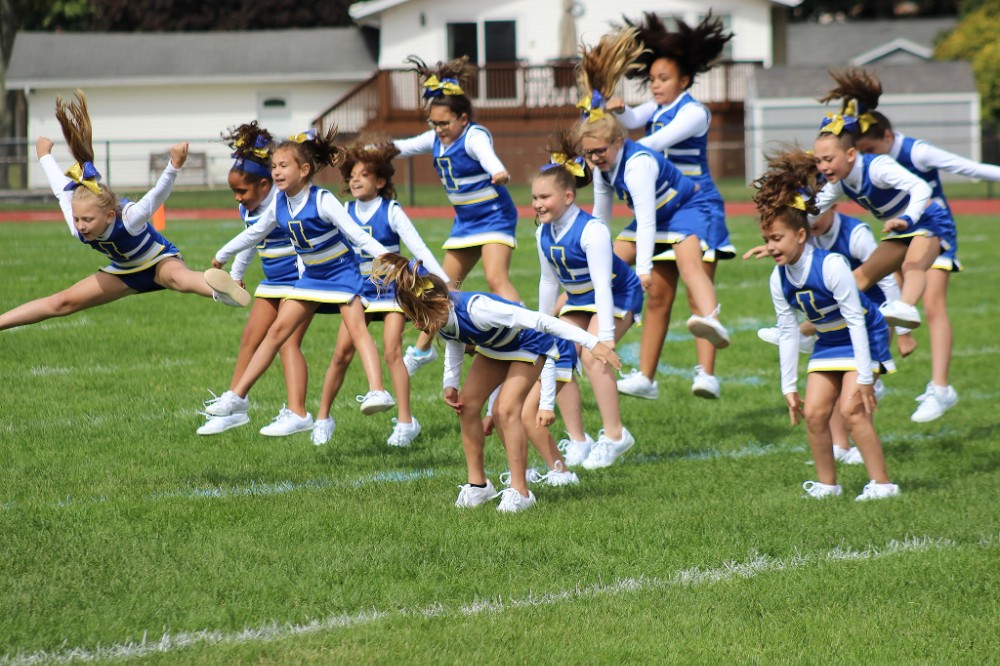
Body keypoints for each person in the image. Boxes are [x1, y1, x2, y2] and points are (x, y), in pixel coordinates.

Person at [369, 253, 621, 513]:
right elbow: (454, 339)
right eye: (413, 317)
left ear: (437, 302)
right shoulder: (440, 316)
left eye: (418, 315)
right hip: (497, 347)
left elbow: (542, 321)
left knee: (506, 409)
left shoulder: (478, 309)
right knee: (466, 405)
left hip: (528, 343)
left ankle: (521, 492)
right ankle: (478, 486)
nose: (418, 323)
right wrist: (450, 383)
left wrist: (593, 343)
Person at [828, 68, 1000, 423]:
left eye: (871, 150)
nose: (866, 158)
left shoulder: (916, 153)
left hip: (934, 229)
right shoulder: (858, 165)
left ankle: (941, 388)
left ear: (888, 137)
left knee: (932, 302)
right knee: (875, 294)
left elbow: (969, 168)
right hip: (899, 233)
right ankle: (872, 371)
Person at [0, 91, 249, 334]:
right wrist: (44, 155)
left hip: (158, 261)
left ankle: (223, 291)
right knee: (62, 302)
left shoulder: (128, 219)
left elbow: (155, 197)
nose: (81, 225)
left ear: (109, 216)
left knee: (180, 280)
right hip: (123, 272)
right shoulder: (77, 226)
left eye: (87, 220)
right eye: (77, 219)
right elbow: (61, 192)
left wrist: (174, 165)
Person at [574, 27, 730, 403]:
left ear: (685, 80)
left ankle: (707, 372)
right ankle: (645, 376)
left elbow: (651, 143)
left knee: (695, 283)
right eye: (653, 79)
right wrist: (610, 108)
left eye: (664, 79)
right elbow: (630, 120)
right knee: (658, 295)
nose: (656, 85)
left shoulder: (693, 112)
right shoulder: (656, 109)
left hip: (695, 202)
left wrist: (608, 143)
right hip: (658, 203)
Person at [205, 128, 395, 424]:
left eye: (284, 166)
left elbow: (356, 235)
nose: (277, 172)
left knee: (357, 330)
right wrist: (223, 254)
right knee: (277, 332)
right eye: (275, 167)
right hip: (312, 279)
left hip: (342, 275)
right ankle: (237, 395)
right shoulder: (278, 203)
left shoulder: (323, 200)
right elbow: (254, 233)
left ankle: (378, 391)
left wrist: (387, 256)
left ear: (304, 170)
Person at [753, 148, 899, 501]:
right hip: (829, 343)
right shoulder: (778, 278)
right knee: (815, 413)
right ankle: (828, 485)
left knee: (852, 410)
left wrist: (865, 376)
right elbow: (788, 333)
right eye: (766, 240)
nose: (771, 247)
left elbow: (855, 318)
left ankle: (883, 485)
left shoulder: (831, 265)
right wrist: (788, 386)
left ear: (800, 236)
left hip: (862, 334)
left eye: (777, 239)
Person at [310, 143, 449, 447]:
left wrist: (444, 280)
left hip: (393, 293)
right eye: (352, 175)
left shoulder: (391, 210)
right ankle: (322, 418)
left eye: (364, 174)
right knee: (341, 354)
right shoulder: (344, 211)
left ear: (381, 181)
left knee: (392, 353)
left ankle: (405, 422)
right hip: (358, 292)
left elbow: (419, 248)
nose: (356, 180)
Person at [391, 55, 521, 376]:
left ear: (463, 118)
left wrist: (498, 171)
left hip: (494, 217)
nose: (439, 130)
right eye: (434, 124)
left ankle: (524, 331)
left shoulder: (474, 135)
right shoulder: (436, 138)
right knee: (443, 288)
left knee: (495, 278)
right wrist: (366, 151)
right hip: (465, 223)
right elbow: (401, 147)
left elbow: (487, 155)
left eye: (444, 123)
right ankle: (421, 352)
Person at [533, 132, 643, 469]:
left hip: (617, 293)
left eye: (545, 197)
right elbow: (549, 280)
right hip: (580, 298)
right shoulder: (541, 231)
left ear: (568, 196)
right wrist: (540, 324)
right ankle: (579, 440)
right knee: (557, 351)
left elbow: (603, 285)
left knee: (595, 356)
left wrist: (605, 336)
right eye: (534, 197)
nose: (538, 204)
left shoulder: (592, 230)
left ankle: (615, 435)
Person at [198, 122, 315, 436]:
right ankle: (236, 404)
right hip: (273, 283)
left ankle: (298, 411)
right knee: (251, 338)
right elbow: (250, 241)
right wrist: (235, 277)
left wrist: (306, 284)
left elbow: (305, 244)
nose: (237, 198)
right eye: (234, 191)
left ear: (267, 185)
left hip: (299, 282)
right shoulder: (248, 210)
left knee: (288, 342)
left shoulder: (284, 204)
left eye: (242, 191)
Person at [811, 97, 957, 338]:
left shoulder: (878, 167)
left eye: (828, 159)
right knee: (859, 278)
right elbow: (812, 213)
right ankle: (805, 332)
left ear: (849, 154)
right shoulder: (840, 184)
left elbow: (921, 188)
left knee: (913, 265)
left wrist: (909, 219)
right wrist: (784, 237)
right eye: (818, 161)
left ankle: (906, 308)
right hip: (902, 229)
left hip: (929, 220)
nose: (823, 167)